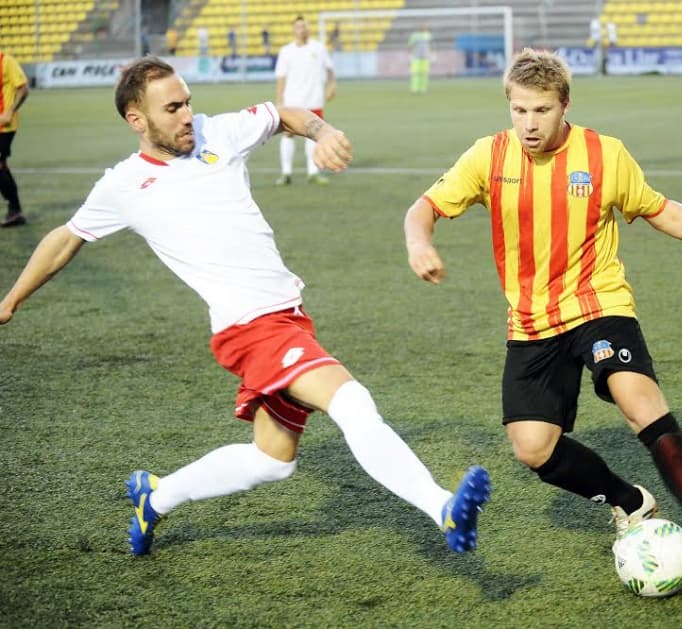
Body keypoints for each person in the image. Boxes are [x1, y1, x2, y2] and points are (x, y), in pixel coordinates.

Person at [0, 57, 490, 556]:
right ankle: (443, 508)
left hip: (286, 315)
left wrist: (322, 131)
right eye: (172, 108)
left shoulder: (219, 133)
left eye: (188, 101)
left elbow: (285, 114)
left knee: (272, 460)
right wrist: (10, 300)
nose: (187, 114)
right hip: (249, 327)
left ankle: (156, 496)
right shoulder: (123, 186)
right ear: (137, 120)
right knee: (351, 401)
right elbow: (65, 239)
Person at [404, 49, 682, 583]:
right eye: (519, 110)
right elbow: (424, 206)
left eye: (541, 110)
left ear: (564, 104)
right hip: (530, 322)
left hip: (598, 304)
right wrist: (418, 242)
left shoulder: (604, 154)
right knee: (532, 447)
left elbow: (657, 208)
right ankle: (629, 501)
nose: (529, 124)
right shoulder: (488, 156)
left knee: (636, 398)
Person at [274, 15, 336, 186]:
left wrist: (331, 86)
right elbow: (281, 77)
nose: (303, 29)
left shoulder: (318, 48)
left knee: (314, 136)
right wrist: (279, 101)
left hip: (314, 100)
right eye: (299, 26)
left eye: (305, 26)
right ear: (294, 30)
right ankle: (286, 173)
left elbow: (330, 68)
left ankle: (313, 172)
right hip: (292, 101)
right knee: (288, 134)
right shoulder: (286, 51)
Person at [0, 49, 29, 228]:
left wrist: (10, 111)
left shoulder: (6, 60)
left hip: (4, 126)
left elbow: (23, 89)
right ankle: (14, 210)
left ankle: (15, 209)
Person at [408, 23, 432, 94]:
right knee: (415, 74)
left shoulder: (428, 35)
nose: (423, 28)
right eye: (422, 27)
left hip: (425, 57)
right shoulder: (414, 36)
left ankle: (423, 89)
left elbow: (429, 45)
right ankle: (415, 89)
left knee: (424, 74)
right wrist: (410, 53)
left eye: (424, 27)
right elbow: (410, 45)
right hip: (416, 57)